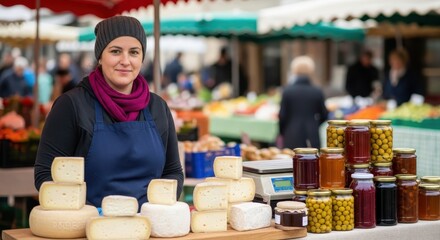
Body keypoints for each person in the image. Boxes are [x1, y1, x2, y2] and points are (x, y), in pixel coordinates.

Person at [34, 16, 184, 208]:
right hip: (89, 228)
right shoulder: (71, 106)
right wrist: (84, 215)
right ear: (100, 56)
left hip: (147, 227)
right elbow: (45, 174)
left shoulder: (158, 107)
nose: (125, 61)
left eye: (134, 52)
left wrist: (158, 211)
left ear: (142, 57)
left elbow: (172, 171)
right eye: (115, 51)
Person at [279, 56, 328, 149]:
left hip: (291, 134)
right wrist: (314, 123)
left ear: (294, 70)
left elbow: (282, 116)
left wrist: (282, 132)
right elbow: (324, 115)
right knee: (312, 161)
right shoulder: (317, 91)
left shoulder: (287, 91)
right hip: (312, 134)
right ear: (311, 70)